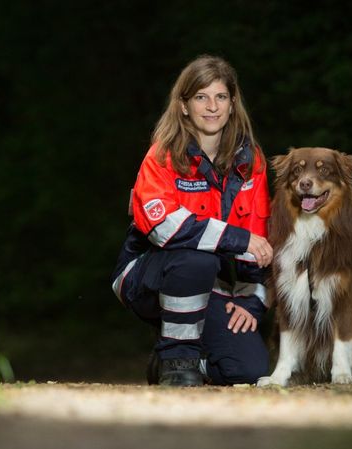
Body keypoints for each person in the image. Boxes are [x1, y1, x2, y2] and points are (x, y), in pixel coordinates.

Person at [110, 55, 273, 386]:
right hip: (144, 277)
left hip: (207, 284)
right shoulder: (162, 155)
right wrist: (236, 239)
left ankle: (169, 363)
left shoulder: (250, 160)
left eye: (221, 97)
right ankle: (176, 359)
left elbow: (259, 240)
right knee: (195, 259)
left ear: (232, 104)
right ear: (184, 106)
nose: (212, 106)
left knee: (248, 369)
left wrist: (250, 302)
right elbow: (163, 228)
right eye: (201, 97)